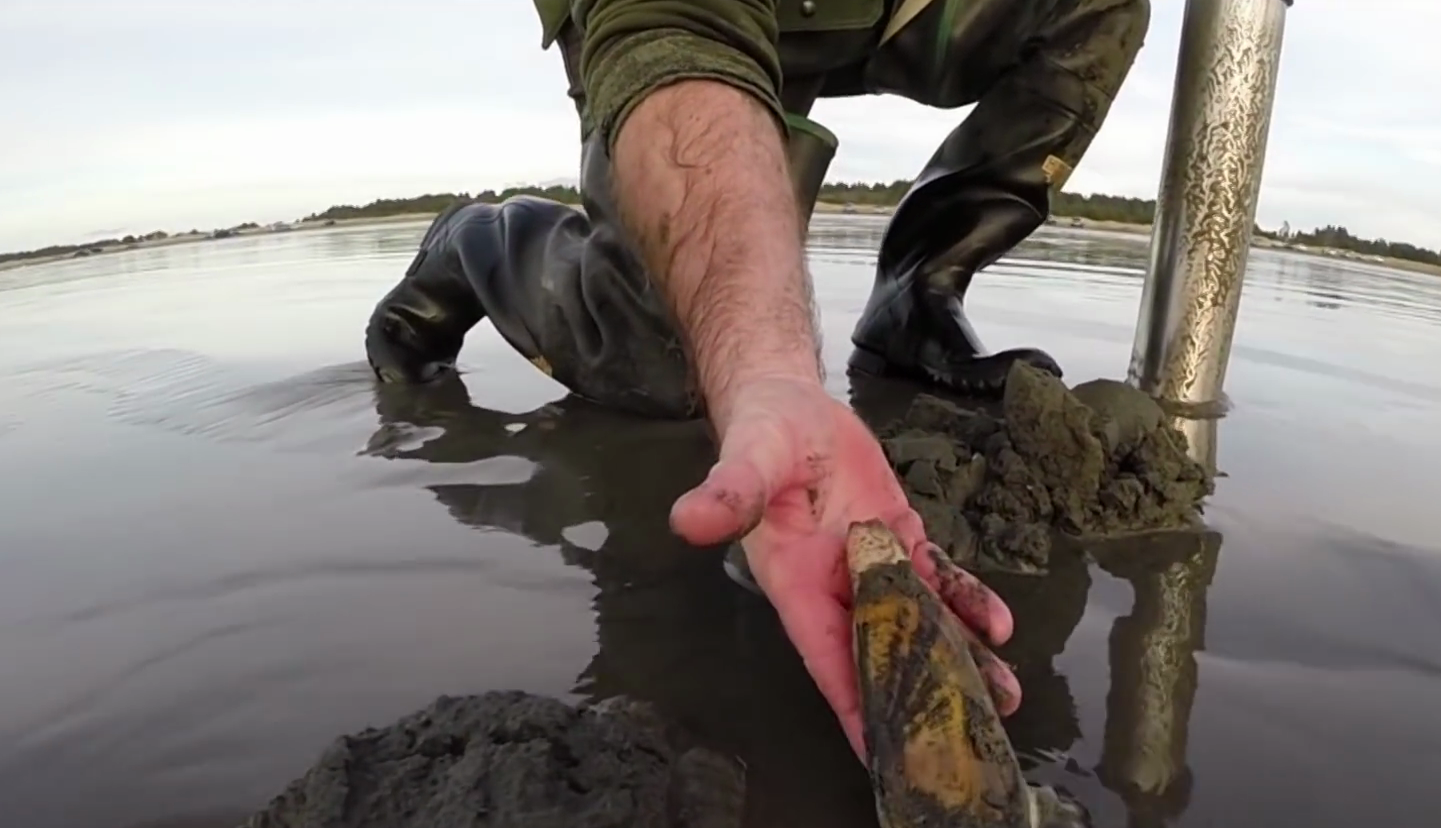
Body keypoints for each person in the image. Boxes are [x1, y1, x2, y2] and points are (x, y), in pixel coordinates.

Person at [362, 0, 1151, 758]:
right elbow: (674, 30)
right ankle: (475, 241)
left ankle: (919, 292)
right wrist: (768, 377)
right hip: (679, 22)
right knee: (674, 368)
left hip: (878, 8)